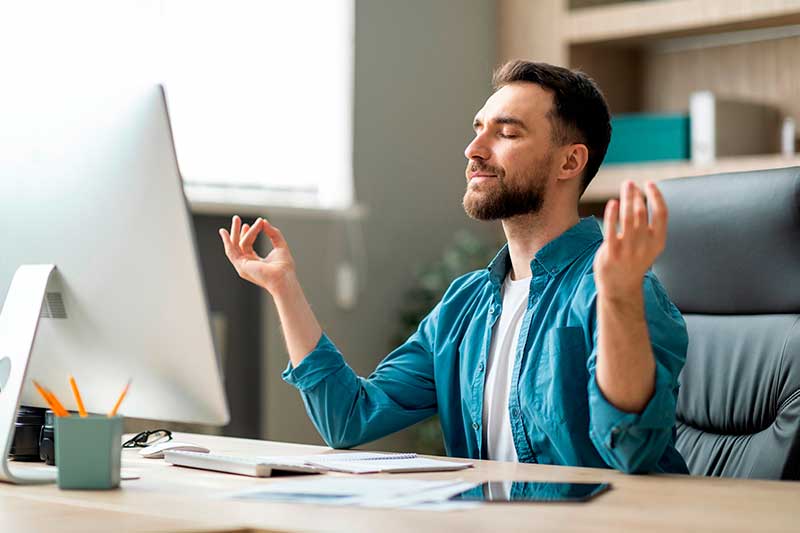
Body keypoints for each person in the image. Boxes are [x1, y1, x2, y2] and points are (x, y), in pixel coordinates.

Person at [219, 60, 689, 474]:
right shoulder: (466, 304)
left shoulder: (621, 289)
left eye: (506, 133)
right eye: (477, 128)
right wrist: (284, 288)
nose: (474, 149)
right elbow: (349, 419)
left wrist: (619, 298)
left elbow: (632, 453)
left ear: (570, 161)